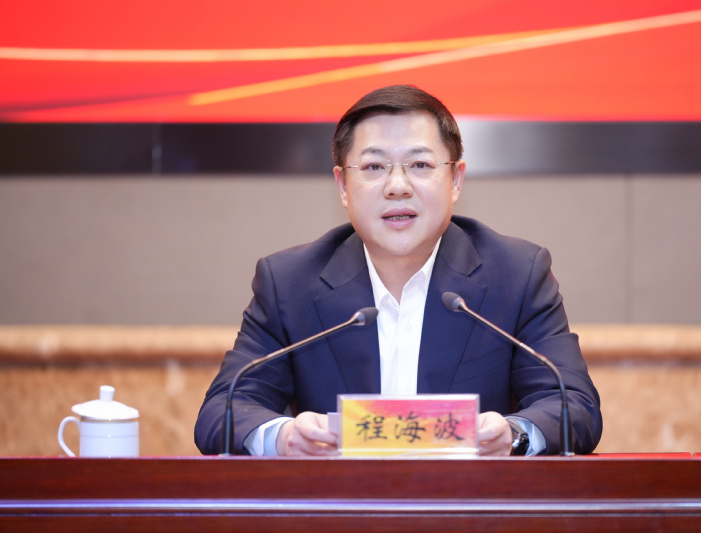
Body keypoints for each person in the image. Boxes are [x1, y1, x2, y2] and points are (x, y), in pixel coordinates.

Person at [195, 85, 602, 456]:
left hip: (467, 504)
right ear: (342, 186)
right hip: (341, 505)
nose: (397, 186)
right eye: (374, 167)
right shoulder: (289, 283)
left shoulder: (516, 275)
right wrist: (284, 438)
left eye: (420, 165)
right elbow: (222, 411)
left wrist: (513, 435)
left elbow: (574, 405)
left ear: (455, 179)